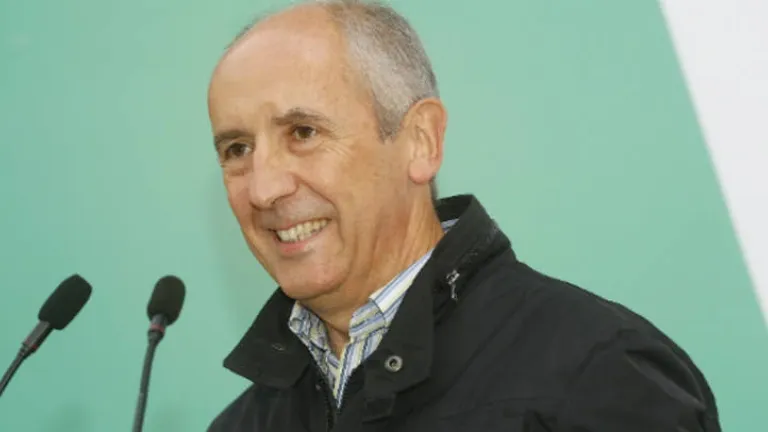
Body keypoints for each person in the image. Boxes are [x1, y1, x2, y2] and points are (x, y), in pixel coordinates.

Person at [205, 1, 721, 431]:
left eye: (303, 133)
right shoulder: (240, 426)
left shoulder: (595, 373)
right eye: (237, 149)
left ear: (420, 141)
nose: (264, 189)